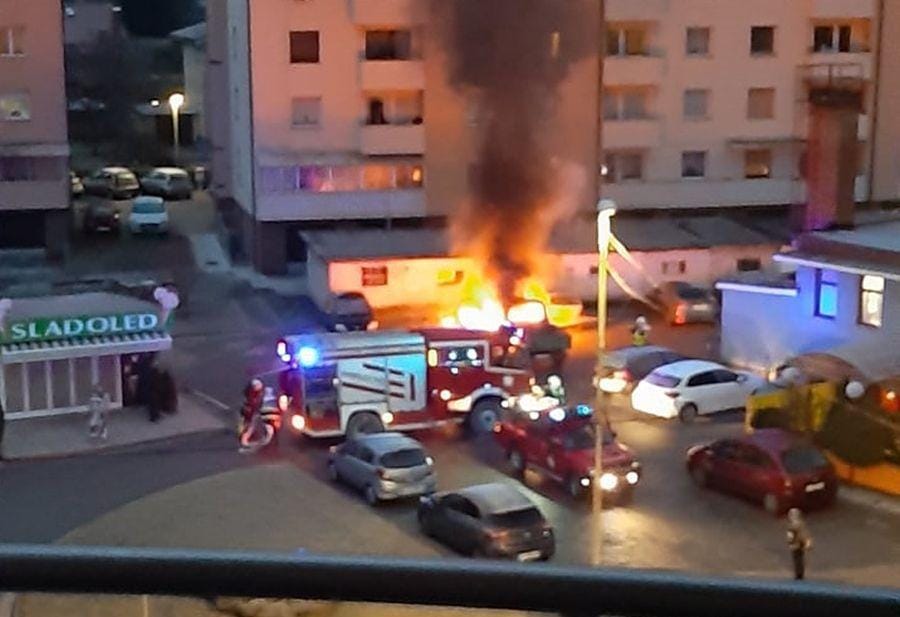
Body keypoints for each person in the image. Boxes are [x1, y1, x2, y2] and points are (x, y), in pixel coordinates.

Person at [786, 507, 812, 580]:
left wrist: (790, 543)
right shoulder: (801, 524)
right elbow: (804, 534)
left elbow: (790, 536)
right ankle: (800, 573)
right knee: (799, 559)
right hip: (799, 544)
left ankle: (798, 574)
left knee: (797, 560)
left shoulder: (792, 525)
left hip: (796, 545)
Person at [239, 379, 266, 449]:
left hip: (253, 412)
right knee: (249, 427)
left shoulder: (255, 393)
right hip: (250, 412)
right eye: (258, 386)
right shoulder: (251, 395)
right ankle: (244, 440)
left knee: (253, 425)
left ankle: (260, 437)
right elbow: (253, 404)